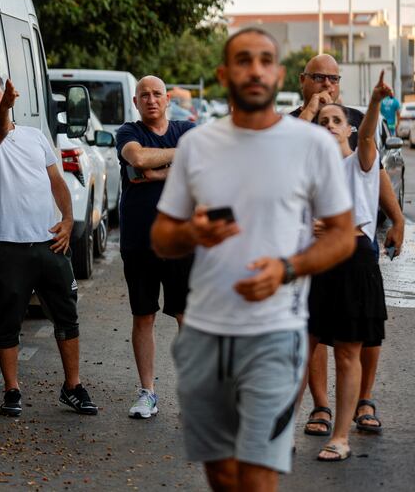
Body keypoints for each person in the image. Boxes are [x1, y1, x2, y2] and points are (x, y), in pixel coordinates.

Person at [151, 28, 355, 490]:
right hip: (205, 332)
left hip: (275, 332)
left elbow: (343, 235)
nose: (255, 69)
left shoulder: (313, 145)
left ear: (280, 74)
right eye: (243, 60)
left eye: (266, 60)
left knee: (259, 476)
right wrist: (191, 232)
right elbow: (162, 237)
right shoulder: (199, 146)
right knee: (222, 473)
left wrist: (287, 268)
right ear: (225, 74)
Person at [0, 72, 98, 418]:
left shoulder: (35, 136)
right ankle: (12, 390)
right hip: (7, 248)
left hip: (49, 244)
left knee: (66, 316)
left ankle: (72, 386)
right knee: (8, 321)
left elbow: (56, 180)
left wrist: (69, 221)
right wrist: (7, 108)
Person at [290, 54, 403, 438]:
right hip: (313, 254)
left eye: (332, 77)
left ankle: (362, 401)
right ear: (303, 80)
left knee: (359, 333)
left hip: (356, 252)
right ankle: (321, 407)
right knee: (312, 336)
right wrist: (312, 114)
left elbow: (372, 156)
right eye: (317, 77)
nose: (326, 83)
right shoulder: (295, 125)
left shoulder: (357, 137)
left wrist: (399, 219)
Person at [307, 71, 391, 461]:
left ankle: (340, 436)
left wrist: (374, 101)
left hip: (354, 263)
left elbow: (370, 134)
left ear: (349, 129)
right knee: (299, 349)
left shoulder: (362, 163)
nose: (328, 127)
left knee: (345, 353)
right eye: (323, 122)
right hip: (319, 263)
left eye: (335, 121)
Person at [115, 75, 194, 419]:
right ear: (136, 102)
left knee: (186, 316)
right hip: (139, 241)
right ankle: (147, 392)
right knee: (143, 315)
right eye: (144, 95)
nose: (151, 99)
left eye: (157, 94)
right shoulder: (128, 132)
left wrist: (155, 171)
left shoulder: (186, 129)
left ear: (167, 100)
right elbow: (138, 160)